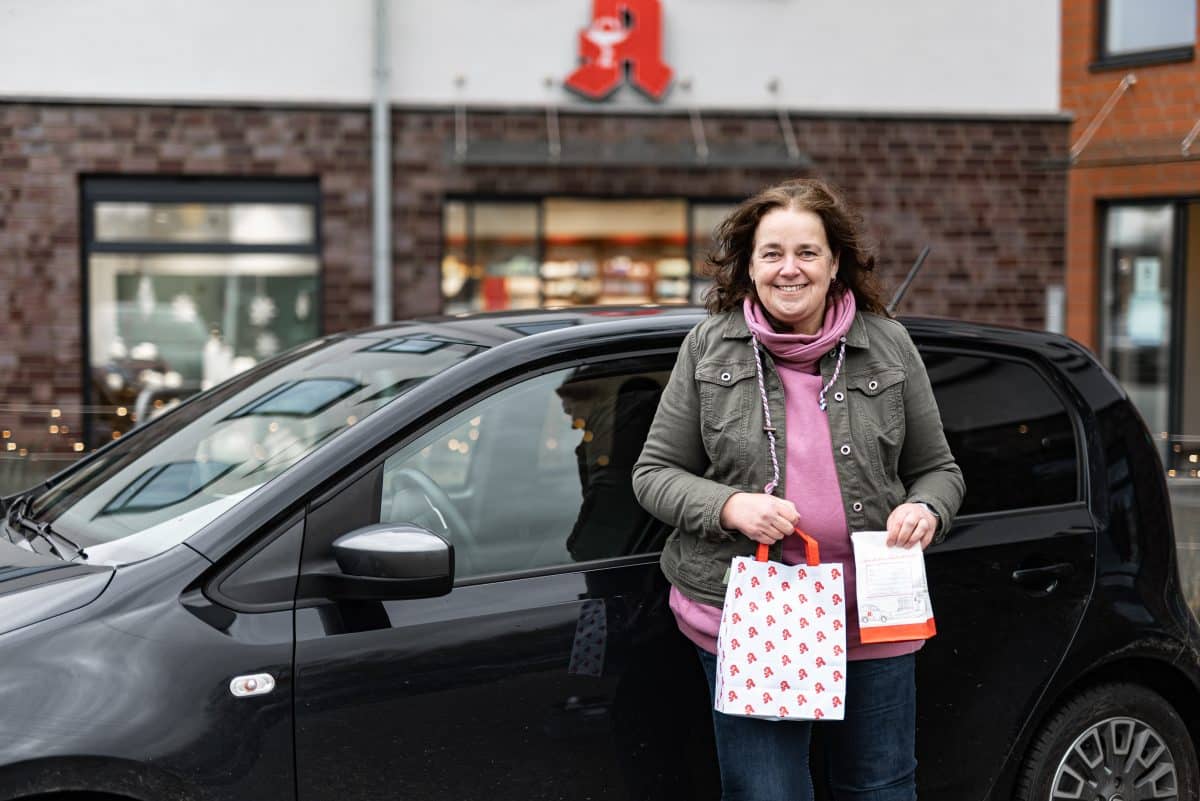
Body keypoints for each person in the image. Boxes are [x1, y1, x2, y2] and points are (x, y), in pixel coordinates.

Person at [632, 178, 964, 801]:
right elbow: (653, 474)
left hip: (871, 614)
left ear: (835, 263)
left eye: (807, 252)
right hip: (753, 618)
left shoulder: (887, 343)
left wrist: (927, 508)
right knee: (768, 793)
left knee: (880, 788)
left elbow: (940, 469)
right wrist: (729, 506)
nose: (790, 269)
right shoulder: (708, 346)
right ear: (749, 266)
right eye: (772, 253)